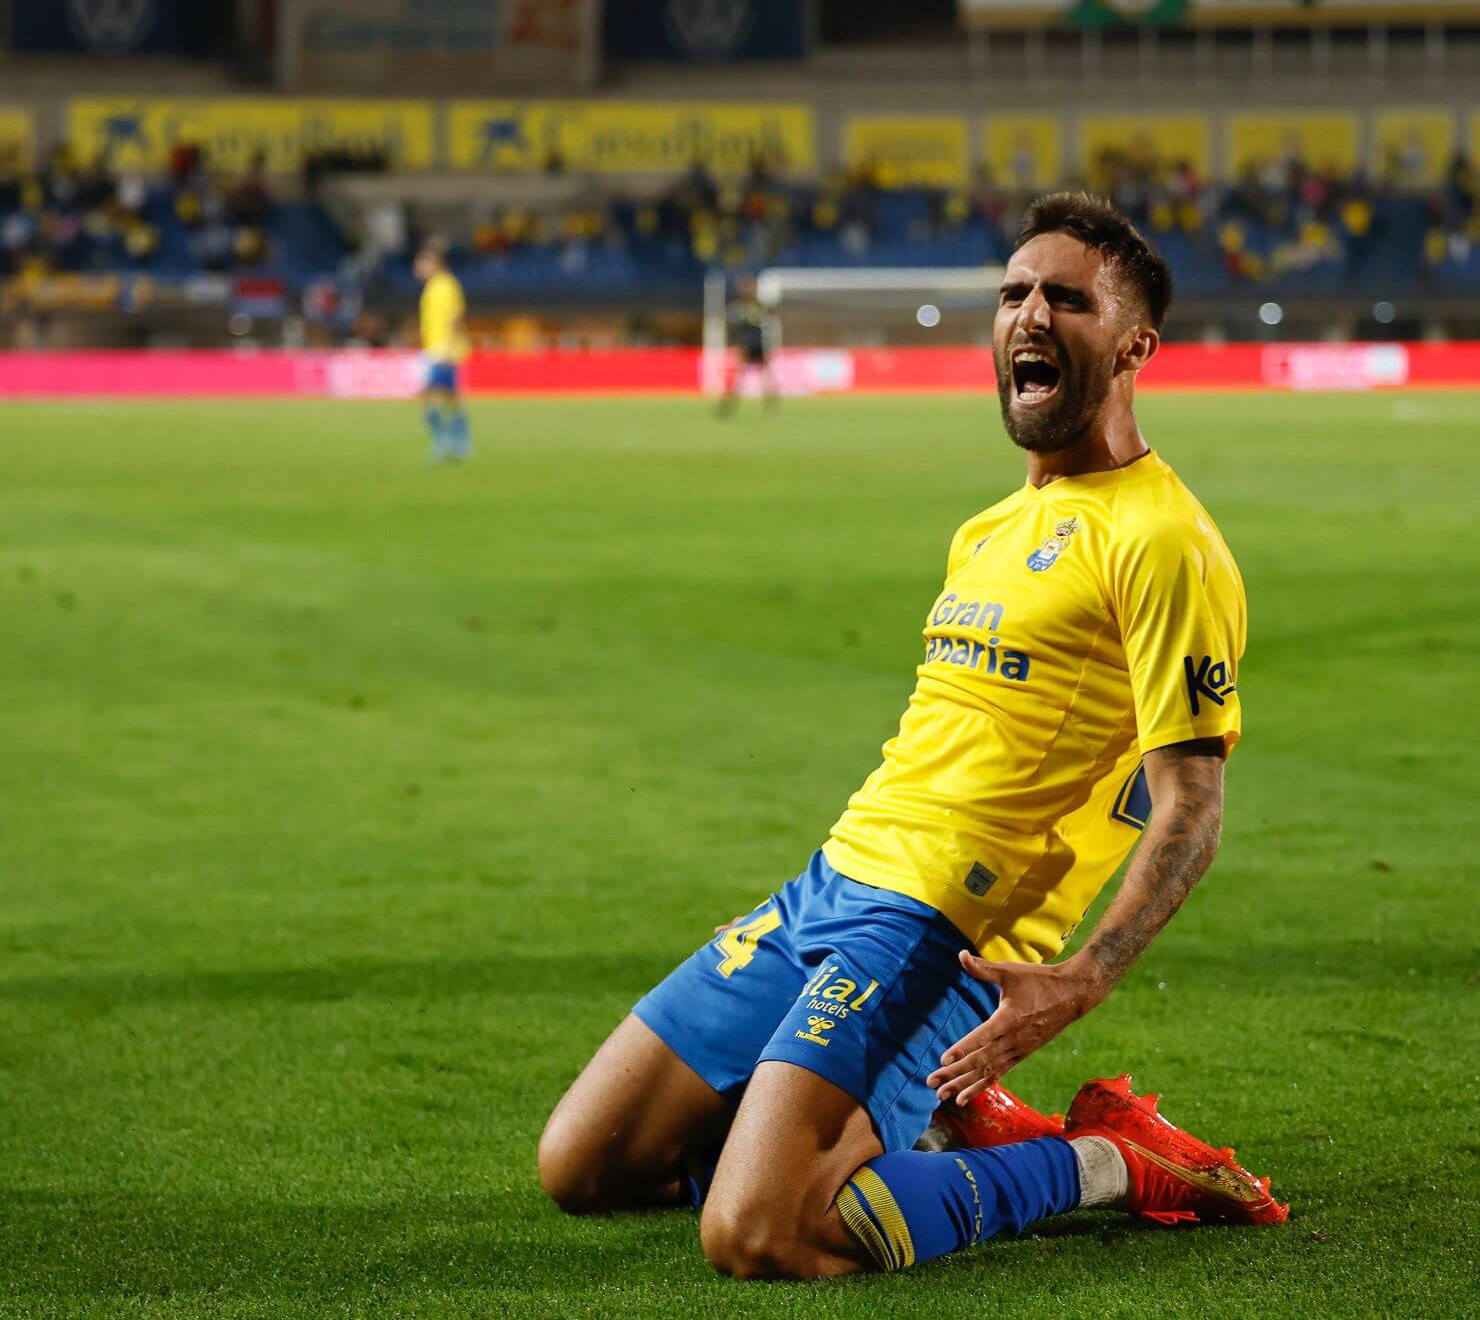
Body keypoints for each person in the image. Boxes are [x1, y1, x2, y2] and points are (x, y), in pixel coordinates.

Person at [537, 192, 1285, 1279]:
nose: (1028, 314)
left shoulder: (1163, 539)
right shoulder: (988, 528)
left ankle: (1104, 1161)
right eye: (1013, 292)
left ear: (1133, 345)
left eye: (1065, 298)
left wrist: (1079, 977)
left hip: (940, 928)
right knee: (584, 1166)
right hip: (826, 888)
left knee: (758, 1232)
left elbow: (1190, 806)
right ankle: (911, 1131)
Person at [414, 240, 471, 463]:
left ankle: (443, 442)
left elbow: (456, 317)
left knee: (429, 396)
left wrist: (448, 348)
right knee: (450, 398)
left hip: (444, 350)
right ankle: (460, 443)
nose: (418, 268)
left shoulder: (446, 285)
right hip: (434, 348)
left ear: (434, 263)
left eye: (421, 263)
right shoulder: (433, 286)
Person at [717, 274, 778, 417]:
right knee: (740, 377)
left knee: (766, 377)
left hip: (758, 344)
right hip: (746, 345)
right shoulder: (739, 306)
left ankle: (771, 406)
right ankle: (728, 406)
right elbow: (732, 325)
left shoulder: (759, 306)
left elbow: (770, 320)